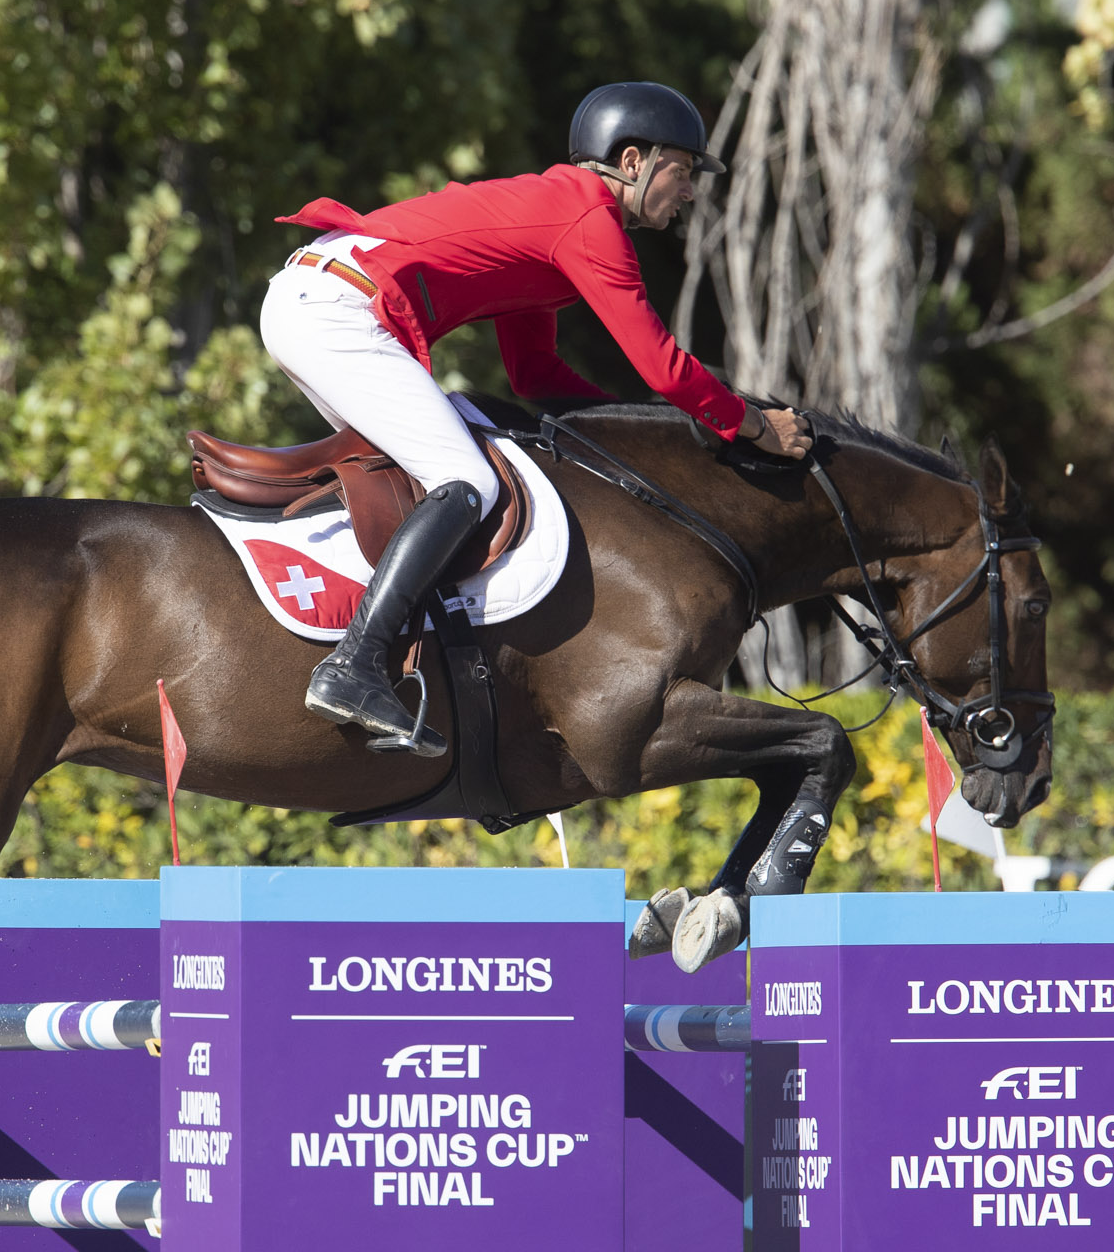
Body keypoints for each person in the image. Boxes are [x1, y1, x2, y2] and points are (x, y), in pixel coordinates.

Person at [265, 80, 815, 758]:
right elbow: (665, 367)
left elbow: (536, 376)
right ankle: (354, 665)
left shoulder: (557, 215)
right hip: (335, 311)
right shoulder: (589, 224)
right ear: (634, 161)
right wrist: (754, 426)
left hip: (319, 298)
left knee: (444, 470)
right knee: (468, 479)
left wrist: (646, 434)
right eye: (685, 169)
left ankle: (385, 654)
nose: (692, 191)